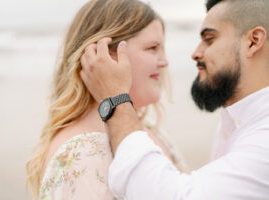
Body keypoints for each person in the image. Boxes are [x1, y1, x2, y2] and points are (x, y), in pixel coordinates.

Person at [80, 0, 269, 199]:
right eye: (152, 48)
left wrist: (115, 99)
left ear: (253, 41)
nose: (196, 54)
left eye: (209, 39)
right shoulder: (235, 123)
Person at [26, 0, 187, 199]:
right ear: (104, 55)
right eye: (152, 48)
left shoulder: (150, 129)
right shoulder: (81, 153)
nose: (164, 62)